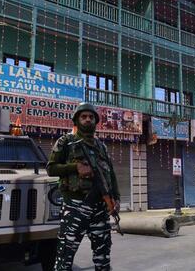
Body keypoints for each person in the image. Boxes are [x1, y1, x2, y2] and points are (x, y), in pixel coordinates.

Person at [47, 102, 121, 270]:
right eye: (84, 116)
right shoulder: (66, 141)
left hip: (100, 208)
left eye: (91, 117)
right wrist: (75, 167)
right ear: (77, 120)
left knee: (103, 256)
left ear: (96, 121)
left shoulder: (101, 146)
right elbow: (51, 168)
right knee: (65, 256)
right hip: (75, 206)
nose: (88, 119)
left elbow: (110, 174)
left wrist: (116, 198)